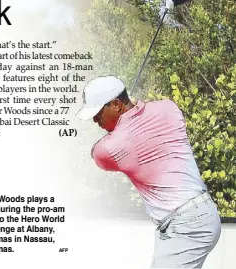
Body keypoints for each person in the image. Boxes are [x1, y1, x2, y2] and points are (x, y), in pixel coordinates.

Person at [76, 75, 221, 268]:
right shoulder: (169, 107)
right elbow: (146, 114)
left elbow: (96, 153)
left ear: (117, 105)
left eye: (97, 113)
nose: (95, 120)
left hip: (186, 225)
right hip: (201, 214)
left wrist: (117, 129)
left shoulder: (110, 148)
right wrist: (133, 111)